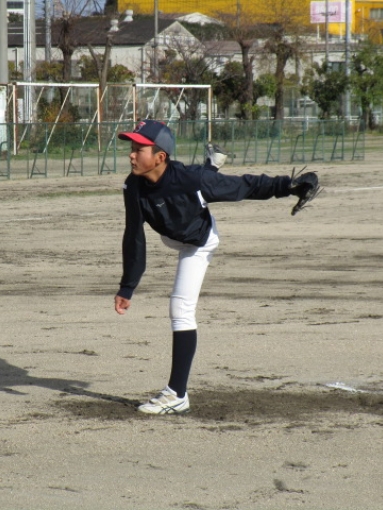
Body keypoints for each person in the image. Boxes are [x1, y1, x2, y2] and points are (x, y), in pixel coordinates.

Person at [114, 120, 319, 415]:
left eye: (138, 149)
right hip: (171, 234)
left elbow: (244, 186)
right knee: (201, 181)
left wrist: (288, 186)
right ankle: (213, 163)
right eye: (132, 148)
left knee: (180, 309)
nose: (131, 154)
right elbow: (134, 236)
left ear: (160, 157)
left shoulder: (191, 180)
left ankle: (177, 394)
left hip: (199, 241)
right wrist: (128, 286)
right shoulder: (133, 185)